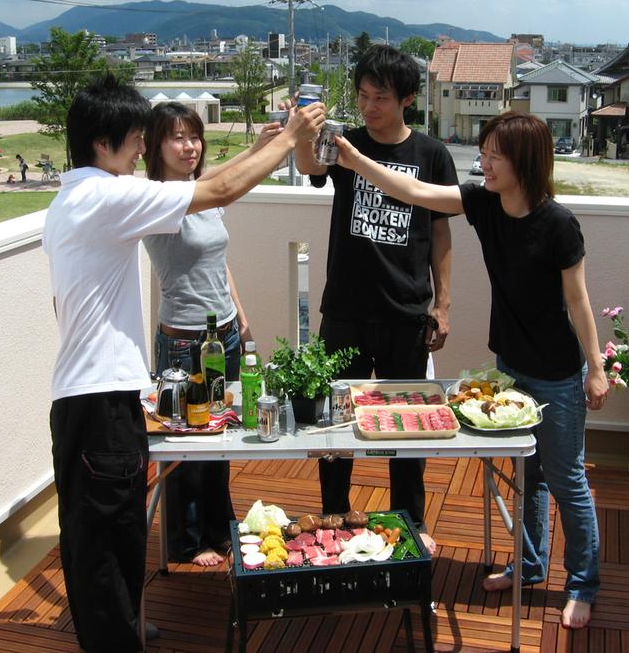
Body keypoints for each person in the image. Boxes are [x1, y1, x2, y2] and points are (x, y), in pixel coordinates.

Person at [43, 73, 323, 652]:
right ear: (103, 141)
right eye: (136, 137)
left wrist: (264, 144)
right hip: (99, 403)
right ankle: (117, 637)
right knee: (106, 543)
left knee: (103, 541)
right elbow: (217, 192)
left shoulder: (71, 199)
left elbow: (209, 184)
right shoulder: (106, 196)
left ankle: (121, 627)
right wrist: (292, 133)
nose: (143, 147)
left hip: (82, 396)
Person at [333, 110, 609, 630]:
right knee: (527, 476)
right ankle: (528, 565)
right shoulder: (485, 203)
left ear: (522, 162)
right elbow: (413, 193)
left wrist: (595, 368)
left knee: (567, 479)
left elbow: (579, 302)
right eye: (482, 153)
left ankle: (581, 583)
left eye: (493, 155)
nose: (482, 163)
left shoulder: (559, 225)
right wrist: (354, 159)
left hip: (555, 373)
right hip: (511, 366)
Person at [295, 44, 455, 553]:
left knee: (407, 427)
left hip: (406, 311)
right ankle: (333, 518)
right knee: (333, 420)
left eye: (380, 97)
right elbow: (309, 168)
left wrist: (443, 304)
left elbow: (442, 235)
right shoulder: (342, 141)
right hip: (344, 308)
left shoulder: (430, 154)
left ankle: (412, 520)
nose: (369, 106)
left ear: (407, 98)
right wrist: (303, 131)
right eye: (363, 95)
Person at [142, 102, 282, 567]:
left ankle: (219, 526)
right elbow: (218, 186)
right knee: (188, 443)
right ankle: (185, 539)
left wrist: (239, 315)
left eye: (194, 137)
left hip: (222, 332)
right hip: (183, 341)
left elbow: (217, 264)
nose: (189, 146)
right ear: (154, 146)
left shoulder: (196, 190)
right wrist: (274, 147)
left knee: (221, 435)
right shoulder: (158, 201)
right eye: (177, 137)